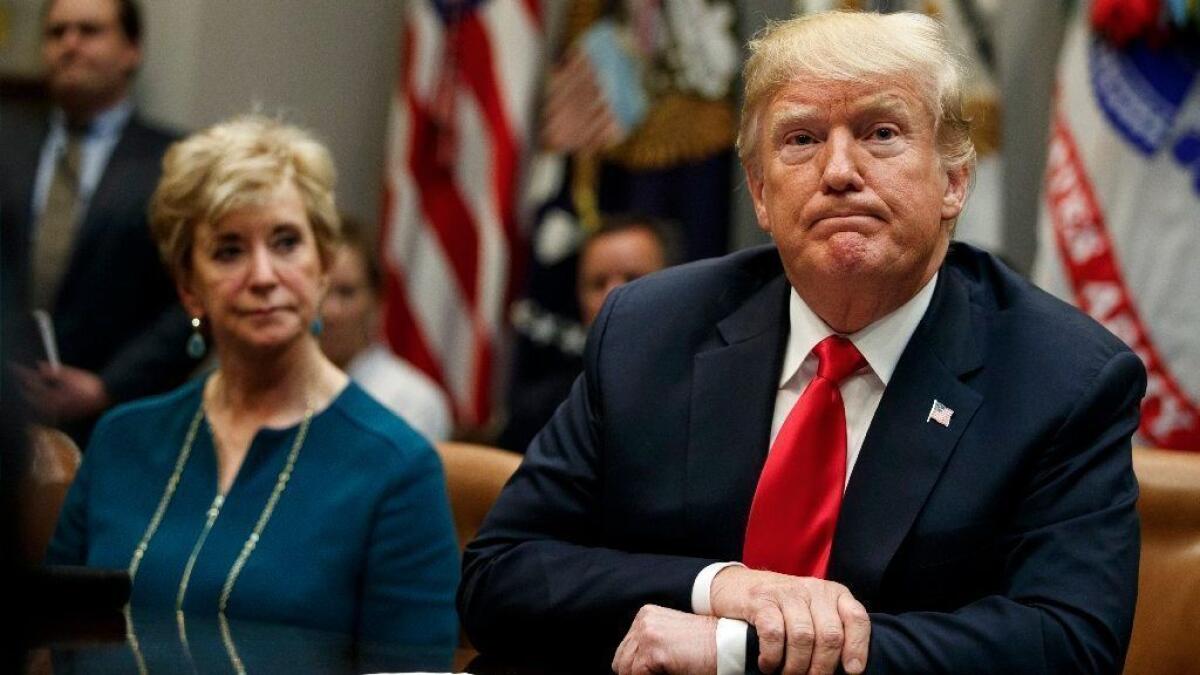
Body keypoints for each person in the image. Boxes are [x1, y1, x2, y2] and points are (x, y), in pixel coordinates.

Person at [459, 11, 1145, 675]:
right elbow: (499, 575)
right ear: (760, 193)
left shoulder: (1062, 378)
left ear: (954, 182)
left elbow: (1068, 643)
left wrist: (739, 652)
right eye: (801, 139)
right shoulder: (650, 330)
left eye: (880, 132)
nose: (839, 170)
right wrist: (721, 588)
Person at [46, 116, 461, 651]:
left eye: (286, 242)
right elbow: (47, 644)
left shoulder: (397, 467)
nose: (263, 276)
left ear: (323, 265)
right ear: (190, 289)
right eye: (229, 251)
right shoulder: (120, 439)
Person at [0, 0, 192, 445]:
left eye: (90, 31)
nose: (70, 44)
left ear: (132, 50)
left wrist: (108, 387)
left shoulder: (176, 162)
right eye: (57, 33)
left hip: (121, 425)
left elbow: (195, 298)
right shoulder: (7, 144)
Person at [498, 215, 672, 452]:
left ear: (676, 288)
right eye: (598, 283)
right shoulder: (540, 413)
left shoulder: (710, 392)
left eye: (633, 279)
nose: (613, 296)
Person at [319, 216, 453, 442]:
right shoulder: (276, 390)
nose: (331, 311)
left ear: (376, 300)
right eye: (320, 291)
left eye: (346, 292)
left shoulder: (413, 401)